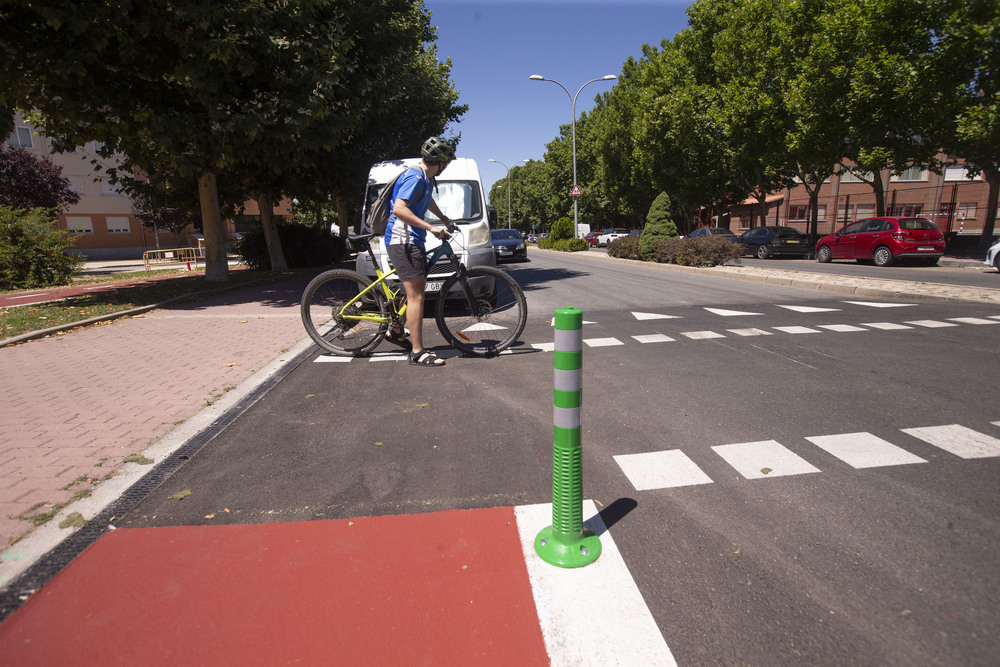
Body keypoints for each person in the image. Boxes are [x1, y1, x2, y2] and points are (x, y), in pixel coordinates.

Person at [384, 136, 455, 367]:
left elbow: (426, 201)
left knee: (412, 288)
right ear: (441, 162)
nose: (447, 167)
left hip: (411, 240)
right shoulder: (415, 177)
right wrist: (432, 227)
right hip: (403, 241)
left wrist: (443, 218)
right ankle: (417, 352)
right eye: (447, 162)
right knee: (417, 296)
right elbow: (399, 208)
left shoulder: (424, 177)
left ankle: (396, 331)